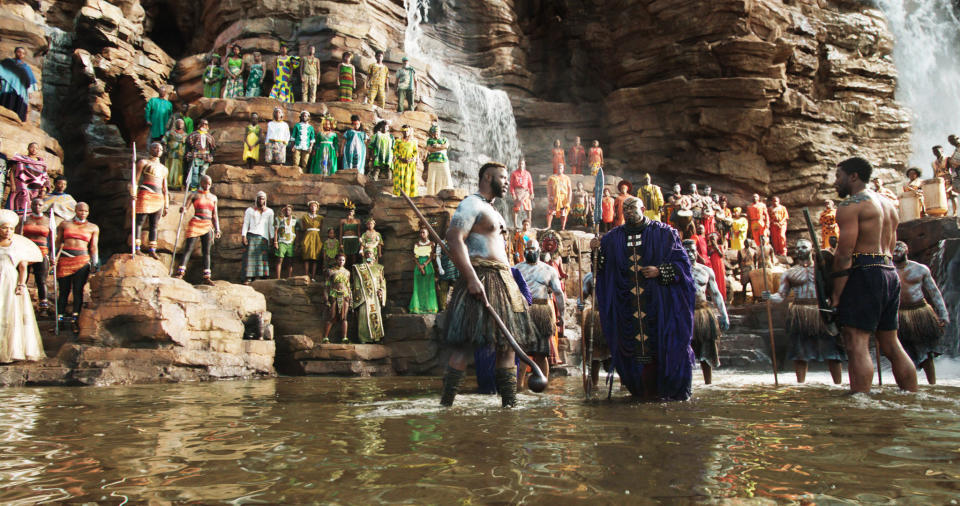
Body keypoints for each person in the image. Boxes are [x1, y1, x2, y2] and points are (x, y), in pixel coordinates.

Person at [439, 162, 539, 408]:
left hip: (503, 280)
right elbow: (454, 237)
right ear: (487, 177)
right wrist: (471, 278)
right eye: (503, 178)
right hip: (481, 276)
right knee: (465, 344)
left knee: (508, 346)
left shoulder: (493, 210)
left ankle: (509, 404)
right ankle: (446, 404)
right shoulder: (471, 204)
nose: (508, 182)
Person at [594, 196, 696, 400]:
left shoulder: (665, 234)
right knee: (632, 353)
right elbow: (601, 270)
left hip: (660, 306)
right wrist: (596, 251)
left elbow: (684, 268)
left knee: (665, 347)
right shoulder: (613, 238)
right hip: (627, 309)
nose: (629, 212)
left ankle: (670, 393)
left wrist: (660, 270)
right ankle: (640, 392)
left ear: (643, 208)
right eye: (625, 209)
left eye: (632, 208)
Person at [831, 156, 916, 393]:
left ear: (853, 176)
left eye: (839, 176)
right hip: (889, 271)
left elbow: (845, 253)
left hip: (865, 272)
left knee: (856, 341)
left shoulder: (851, 206)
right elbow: (892, 245)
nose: (835, 182)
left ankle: (861, 405)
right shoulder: (889, 204)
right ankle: (911, 397)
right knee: (890, 342)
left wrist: (836, 296)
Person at [764, 239, 845, 384]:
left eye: (803, 247)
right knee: (800, 352)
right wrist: (770, 297)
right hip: (800, 313)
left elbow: (836, 289)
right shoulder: (789, 273)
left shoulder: (823, 270)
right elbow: (781, 296)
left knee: (832, 351)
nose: (800, 250)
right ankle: (801, 384)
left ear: (811, 249)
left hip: (822, 311)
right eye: (797, 247)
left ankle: (838, 385)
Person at [893, 241, 949, 384]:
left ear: (906, 252)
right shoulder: (888, 270)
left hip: (920, 313)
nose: (896, 255)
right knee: (900, 351)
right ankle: (907, 384)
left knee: (925, 351)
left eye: (899, 252)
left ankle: (932, 383)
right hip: (898, 313)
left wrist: (943, 314)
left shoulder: (920, 269)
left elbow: (935, 293)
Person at [514, 238, 564, 388]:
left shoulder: (548, 270)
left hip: (541, 312)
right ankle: (519, 388)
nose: (530, 251)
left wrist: (562, 315)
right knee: (522, 352)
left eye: (533, 249)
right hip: (522, 312)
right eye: (527, 249)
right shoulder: (516, 269)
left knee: (541, 353)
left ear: (539, 251)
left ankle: (544, 386)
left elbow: (559, 293)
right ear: (524, 251)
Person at [0, 209, 45, 362]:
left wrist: (21, 284)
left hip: (10, 280)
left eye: (11, 228)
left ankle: (12, 351)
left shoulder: (18, 246)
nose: (8, 231)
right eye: (5, 228)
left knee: (10, 310)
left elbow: (23, 268)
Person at [683, 239, 728, 385]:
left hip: (704, 313)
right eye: (686, 250)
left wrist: (724, 314)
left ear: (697, 251)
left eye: (692, 250)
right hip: (685, 314)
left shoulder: (706, 271)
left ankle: (708, 383)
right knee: (684, 350)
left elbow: (716, 294)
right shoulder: (677, 271)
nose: (690, 253)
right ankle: (686, 384)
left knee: (707, 350)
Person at [55, 202, 98, 334]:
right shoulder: (65, 224)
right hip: (65, 258)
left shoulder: (93, 227)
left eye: (85, 211)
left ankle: (75, 320)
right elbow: (58, 241)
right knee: (64, 291)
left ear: (88, 212)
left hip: (82, 261)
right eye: (80, 210)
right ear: (75, 210)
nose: (83, 213)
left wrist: (94, 262)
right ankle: (60, 319)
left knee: (78, 291)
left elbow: (93, 246)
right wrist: (53, 256)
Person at [173, 175, 221, 284]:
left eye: (209, 184)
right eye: (205, 183)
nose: (207, 186)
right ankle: (180, 272)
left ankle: (206, 277)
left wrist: (217, 229)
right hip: (196, 222)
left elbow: (215, 215)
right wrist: (183, 210)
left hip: (208, 224)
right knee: (189, 248)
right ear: (201, 183)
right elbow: (186, 208)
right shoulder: (194, 195)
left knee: (206, 251)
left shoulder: (213, 197)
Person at [132, 142, 169, 259]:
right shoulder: (143, 162)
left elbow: (165, 188)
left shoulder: (164, 169)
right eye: (155, 147)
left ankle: (152, 249)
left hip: (159, 197)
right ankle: (137, 248)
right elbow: (135, 180)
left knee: (154, 224)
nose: (158, 150)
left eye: (160, 149)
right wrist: (133, 193)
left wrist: (166, 204)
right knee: (140, 222)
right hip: (145, 193)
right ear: (150, 149)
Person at [579, 271, 610, 389]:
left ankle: (624, 386)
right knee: (594, 357)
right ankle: (593, 385)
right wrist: (580, 303)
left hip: (612, 317)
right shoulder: (590, 277)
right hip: (596, 319)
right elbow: (582, 296)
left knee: (615, 357)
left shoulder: (616, 272)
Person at [21, 198, 53, 314]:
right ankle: (20, 303)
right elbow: (18, 235)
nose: (37, 206)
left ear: (43, 206)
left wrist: (52, 255)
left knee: (41, 280)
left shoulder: (48, 221)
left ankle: (43, 307)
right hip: (26, 251)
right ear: (31, 205)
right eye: (35, 204)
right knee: (23, 278)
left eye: (40, 204)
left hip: (42, 252)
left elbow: (52, 239)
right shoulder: (25, 219)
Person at [352, 247, 386, 343]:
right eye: (366, 254)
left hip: (375, 296)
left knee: (375, 317)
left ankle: (376, 337)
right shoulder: (359, 268)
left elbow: (382, 281)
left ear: (374, 255)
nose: (368, 255)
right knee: (363, 316)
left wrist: (381, 290)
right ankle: (363, 338)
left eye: (370, 253)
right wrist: (359, 295)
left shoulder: (379, 267)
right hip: (365, 296)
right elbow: (357, 283)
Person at [241, 191, 274, 284]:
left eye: (263, 198)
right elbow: (246, 223)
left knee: (261, 258)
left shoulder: (269, 212)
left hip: (263, 237)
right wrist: (244, 236)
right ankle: (248, 277)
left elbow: (271, 226)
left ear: (265, 200)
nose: (261, 200)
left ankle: (259, 277)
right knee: (250, 258)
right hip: (251, 235)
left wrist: (272, 238)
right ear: (256, 199)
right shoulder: (250, 210)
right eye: (259, 198)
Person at [6, 142, 47, 213]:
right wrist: (12, 184)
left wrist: (43, 190)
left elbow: (45, 178)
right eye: (32, 147)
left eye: (36, 148)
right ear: (28, 148)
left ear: (38, 150)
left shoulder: (42, 163)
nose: (34, 149)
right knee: (17, 206)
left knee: (33, 208)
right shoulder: (20, 159)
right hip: (21, 188)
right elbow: (12, 171)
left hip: (36, 190)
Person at [0, 47, 38, 121]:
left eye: (23, 53)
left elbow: (29, 80)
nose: (20, 54)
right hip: (7, 88)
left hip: (21, 90)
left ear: (24, 55)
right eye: (19, 52)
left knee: (17, 107)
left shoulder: (26, 67)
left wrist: (30, 92)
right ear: (15, 52)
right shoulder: (7, 62)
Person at [322, 253, 351, 343]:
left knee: (344, 317)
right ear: (336, 260)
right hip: (334, 295)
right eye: (339, 260)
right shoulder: (330, 271)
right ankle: (325, 337)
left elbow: (348, 286)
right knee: (332, 316)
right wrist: (326, 299)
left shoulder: (347, 272)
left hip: (345, 295)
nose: (341, 261)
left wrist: (351, 298)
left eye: (343, 260)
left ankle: (344, 338)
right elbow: (326, 286)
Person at [409, 226, 438, 314]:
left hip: (428, 266)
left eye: (423, 232)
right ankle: (418, 307)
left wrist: (424, 265)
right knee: (418, 287)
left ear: (427, 233)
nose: (422, 234)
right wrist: (420, 267)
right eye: (420, 232)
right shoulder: (416, 244)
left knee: (429, 287)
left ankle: (429, 307)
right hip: (418, 267)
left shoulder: (432, 243)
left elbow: (432, 256)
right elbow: (414, 257)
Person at [183, 119, 215, 190]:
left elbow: (212, 148)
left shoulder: (209, 136)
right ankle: (193, 187)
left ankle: (201, 187)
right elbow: (188, 145)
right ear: (199, 125)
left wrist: (211, 156)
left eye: (206, 124)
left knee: (203, 173)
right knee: (194, 172)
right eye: (202, 124)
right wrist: (188, 154)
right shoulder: (193, 135)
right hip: (195, 156)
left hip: (206, 157)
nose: (204, 126)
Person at [299, 200, 323, 281]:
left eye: (315, 206)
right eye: (312, 206)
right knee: (306, 257)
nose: (313, 208)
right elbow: (304, 228)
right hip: (307, 237)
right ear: (309, 207)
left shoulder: (320, 218)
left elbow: (320, 228)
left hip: (316, 237)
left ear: (317, 208)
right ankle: (306, 276)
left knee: (315, 258)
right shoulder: (305, 217)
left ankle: (313, 277)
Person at [392, 124, 419, 197]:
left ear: (410, 131)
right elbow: (395, 151)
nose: (406, 132)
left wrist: (412, 158)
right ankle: (399, 196)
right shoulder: (398, 141)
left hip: (410, 164)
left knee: (408, 179)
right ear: (401, 132)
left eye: (407, 131)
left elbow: (415, 151)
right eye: (404, 131)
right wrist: (401, 158)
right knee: (399, 180)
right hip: (400, 162)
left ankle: (408, 196)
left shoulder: (413, 141)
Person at [424, 122, 451, 194]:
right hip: (433, 161)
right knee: (432, 177)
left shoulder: (444, 139)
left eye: (437, 132)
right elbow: (429, 149)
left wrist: (438, 146)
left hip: (443, 160)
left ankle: (447, 192)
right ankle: (432, 193)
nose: (436, 134)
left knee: (445, 176)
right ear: (432, 133)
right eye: (434, 133)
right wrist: (441, 148)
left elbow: (446, 146)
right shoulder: (430, 140)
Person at [932, 144, 958, 216]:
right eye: (934, 151)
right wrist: (934, 182)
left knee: (953, 195)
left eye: (937, 151)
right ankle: (945, 212)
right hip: (940, 180)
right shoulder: (934, 163)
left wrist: (954, 179)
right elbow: (935, 173)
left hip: (949, 178)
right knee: (944, 197)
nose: (936, 153)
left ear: (942, 150)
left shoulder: (947, 159)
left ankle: (955, 212)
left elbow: (953, 169)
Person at [273, 204, 296, 279]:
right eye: (286, 210)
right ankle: (278, 278)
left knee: (290, 261)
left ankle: (289, 277)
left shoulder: (294, 219)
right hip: (281, 241)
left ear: (291, 211)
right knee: (279, 259)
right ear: (283, 210)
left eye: (289, 210)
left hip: (291, 242)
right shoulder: (279, 218)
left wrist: (297, 242)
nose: (287, 211)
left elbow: (297, 231)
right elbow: (276, 231)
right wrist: (275, 242)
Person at [509, 157, 533, 227]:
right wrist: (513, 194)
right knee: (516, 208)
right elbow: (511, 185)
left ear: (524, 164)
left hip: (525, 191)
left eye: (522, 164)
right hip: (518, 191)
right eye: (519, 164)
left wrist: (532, 193)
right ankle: (515, 225)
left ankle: (529, 224)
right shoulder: (514, 173)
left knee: (528, 208)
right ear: (518, 164)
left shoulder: (527, 173)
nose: (521, 165)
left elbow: (530, 184)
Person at [546, 163, 571, 230]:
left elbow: (569, 189)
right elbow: (549, 187)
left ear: (563, 169)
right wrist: (549, 195)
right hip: (554, 197)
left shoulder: (566, 178)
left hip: (563, 197)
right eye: (558, 168)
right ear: (556, 169)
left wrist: (569, 198)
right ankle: (548, 226)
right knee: (550, 211)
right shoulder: (552, 178)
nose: (560, 169)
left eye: (561, 168)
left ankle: (563, 227)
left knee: (564, 212)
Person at [163, 118, 187, 187]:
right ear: (176, 124)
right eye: (178, 123)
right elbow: (164, 140)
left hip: (180, 154)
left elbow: (187, 144)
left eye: (182, 123)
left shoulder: (185, 134)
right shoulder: (170, 133)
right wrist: (164, 149)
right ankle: (168, 184)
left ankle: (177, 184)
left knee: (179, 169)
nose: (180, 124)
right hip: (171, 153)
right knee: (170, 168)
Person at [436, 239, 459, 311]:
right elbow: (437, 256)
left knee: (457, 288)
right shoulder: (441, 243)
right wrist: (440, 267)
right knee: (443, 288)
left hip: (455, 268)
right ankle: (443, 308)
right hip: (444, 267)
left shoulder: (457, 240)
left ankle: (456, 308)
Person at [707, 232, 726, 301]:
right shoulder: (709, 247)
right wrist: (712, 250)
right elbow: (708, 254)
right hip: (712, 264)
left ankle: (722, 295)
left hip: (719, 264)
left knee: (720, 277)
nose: (712, 240)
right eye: (711, 239)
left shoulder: (720, 246)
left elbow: (721, 255)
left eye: (713, 239)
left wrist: (716, 248)